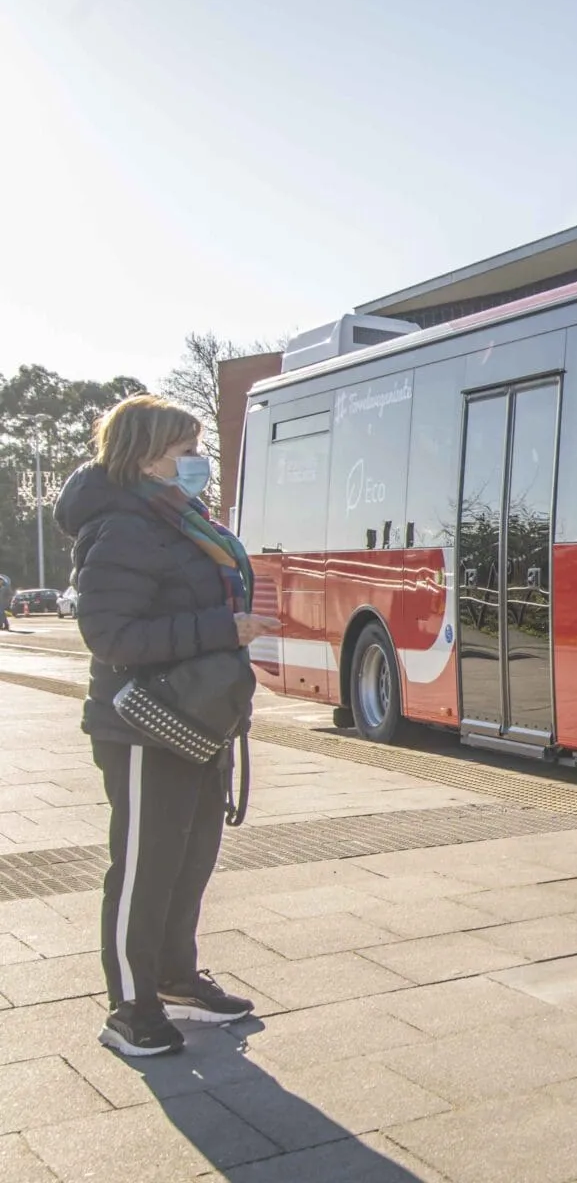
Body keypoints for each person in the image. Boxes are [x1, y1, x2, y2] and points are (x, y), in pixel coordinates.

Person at [54, 395, 279, 1057]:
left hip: (195, 718)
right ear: (147, 456)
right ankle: (130, 1004)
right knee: (144, 867)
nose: (198, 463)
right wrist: (223, 629)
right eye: (186, 452)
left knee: (190, 857)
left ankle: (177, 978)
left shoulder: (180, 521)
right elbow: (109, 634)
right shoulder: (124, 528)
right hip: (143, 723)